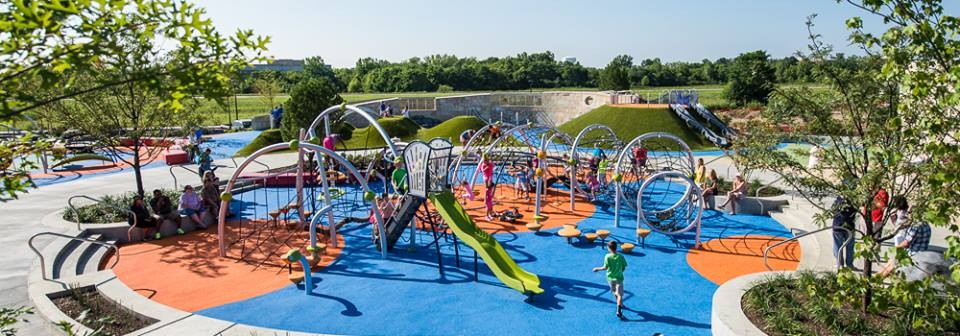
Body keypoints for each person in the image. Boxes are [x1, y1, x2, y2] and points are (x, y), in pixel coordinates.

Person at [879, 196, 931, 276]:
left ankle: (876, 280)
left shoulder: (916, 226)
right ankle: (877, 278)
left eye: (910, 213)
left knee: (891, 265)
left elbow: (906, 243)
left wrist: (893, 250)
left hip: (913, 254)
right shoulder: (926, 225)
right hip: (920, 252)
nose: (908, 215)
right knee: (890, 262)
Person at [593, 241, 628, 319]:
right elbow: (624, 267)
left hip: (610, 278)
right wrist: (620, 272)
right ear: (616, 247)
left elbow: (605, 267)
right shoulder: (621, 256)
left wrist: (597, 269)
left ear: (608, 248)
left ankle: (619, 304)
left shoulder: (607, 256)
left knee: (615, 292)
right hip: (619, 278)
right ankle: (619, 307)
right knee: (620, 294)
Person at [831, 196, 857, 269]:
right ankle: (849, 265)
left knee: (837, 246)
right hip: (849, 227)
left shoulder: (837, 201)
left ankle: (840, 264)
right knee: (850, 248)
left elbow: (832, 211)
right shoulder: (853, 202)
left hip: (837, 226)